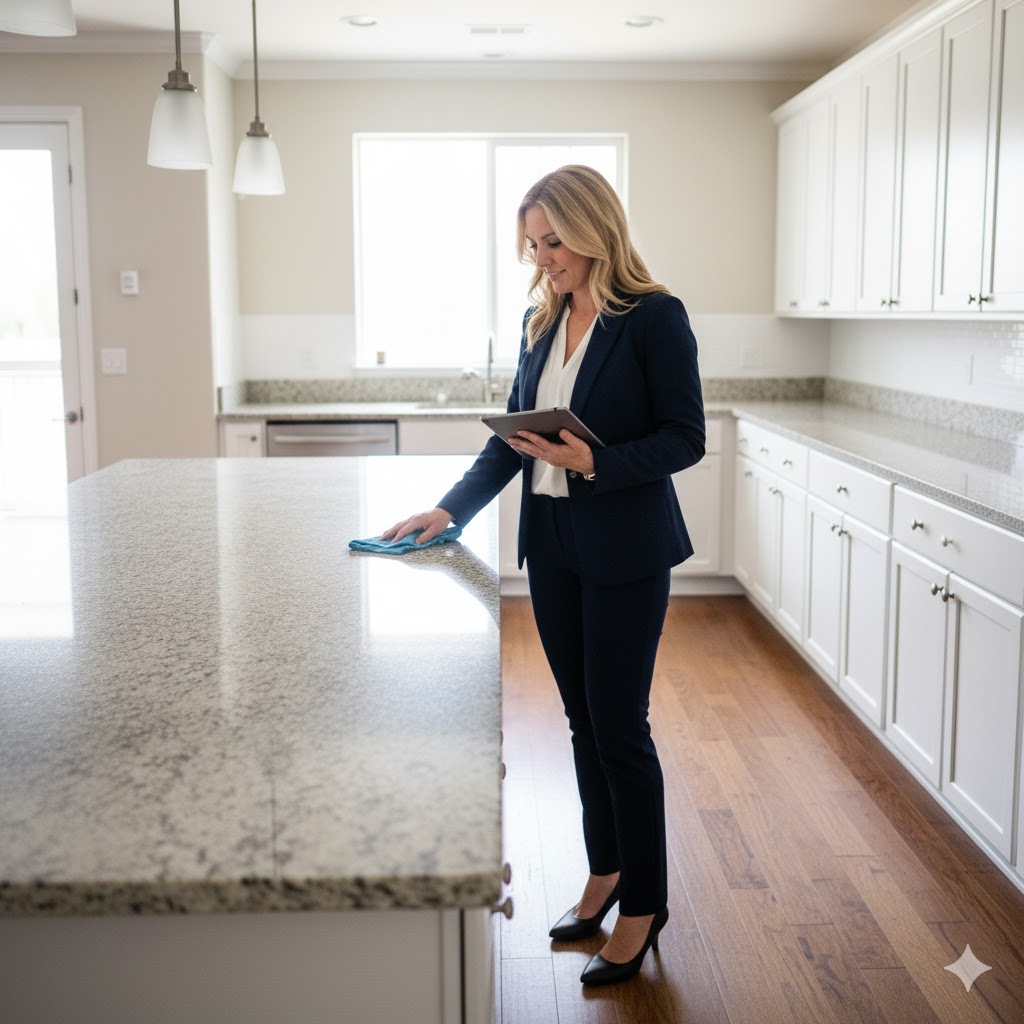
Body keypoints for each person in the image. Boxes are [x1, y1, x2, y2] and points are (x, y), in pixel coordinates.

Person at [382, 164, 705, 986]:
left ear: (596, 229)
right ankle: (605, 873)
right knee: (581, 723)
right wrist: (447, 511)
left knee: (620, 727)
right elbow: (510, 443)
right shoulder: (542, 317)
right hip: (553, 544)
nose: (543, 258)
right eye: (533, 244)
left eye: (554, 241)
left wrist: (594, 458)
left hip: (628, 548)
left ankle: (645, 904)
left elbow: (684, 438)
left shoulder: (655, 318)